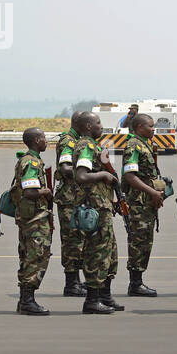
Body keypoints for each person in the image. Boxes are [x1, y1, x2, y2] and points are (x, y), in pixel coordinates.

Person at [73, 113, 125, 314]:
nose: (101, 126)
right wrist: (104, 175)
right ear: (88, 126)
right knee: (97, 253)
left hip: (102, 205)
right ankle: (92, 300)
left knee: (109, 252)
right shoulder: (86, 146)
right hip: (94, 208)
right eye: (98, 123)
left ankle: (104, 295)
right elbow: (81, 175)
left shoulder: (93, 146)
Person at [120, 113, 164, 297]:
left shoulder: (144, 144)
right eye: (150, 126)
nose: (153, 129)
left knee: (145, 242)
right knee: (139, 242)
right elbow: (130, 176)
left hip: (146, 203)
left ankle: (137, 281)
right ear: (139, 127)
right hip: (139, 203)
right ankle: (135, 283)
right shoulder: (133, 146)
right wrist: (152, 192)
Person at [12, 128, 54, 315]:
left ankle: (25, 300)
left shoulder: (29, 159)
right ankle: (27, 301)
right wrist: (45, 191)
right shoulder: (32, 162)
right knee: (35, 257)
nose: (46, 141)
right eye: (44, 138)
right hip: (35, 219)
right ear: (37, 140)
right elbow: (30, 192)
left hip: (30, 217)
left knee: (29, 256)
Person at [54, 112, 89, 297]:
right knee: (71, 242)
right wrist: (87, 174)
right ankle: (71, 283)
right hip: (69, 198)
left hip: (77, 197)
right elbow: (65, 167)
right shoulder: (68, 141)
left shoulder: (79, 140)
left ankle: (76, 281)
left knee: (80, 241)